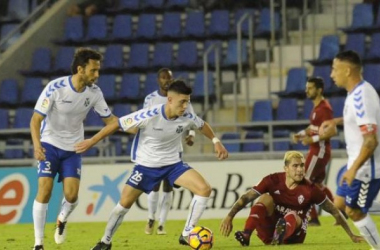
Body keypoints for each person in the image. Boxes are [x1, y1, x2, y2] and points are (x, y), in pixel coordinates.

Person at [74, 80, 229, 249]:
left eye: (188, 101)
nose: (185, 106)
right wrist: (91, 141)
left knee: (204, 189)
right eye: (182, 102)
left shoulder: (187, 116)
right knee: (122, 206)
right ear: (169, 100)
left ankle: (187, 233)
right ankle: (105, 241)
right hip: (146, 167)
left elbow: (202, 125)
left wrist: (215, 141)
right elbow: (116, 125)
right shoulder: (148, 115)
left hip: (173, 165)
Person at [30, 48, 118, 250]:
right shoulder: (55, 87)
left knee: (71, 196)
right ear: (80, 69)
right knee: (44, 189)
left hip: (73, 149)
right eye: (93, 71)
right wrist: (37, 145)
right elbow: (35, 119)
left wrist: (93, 140)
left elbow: (112, 121)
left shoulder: (94, 93)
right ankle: (38, 244)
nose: (97, 75)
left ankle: (62, 218)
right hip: (50, 144)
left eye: (98, 71)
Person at [220, 151, 363, 246]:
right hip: (269, 230)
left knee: (292, 215)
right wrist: (229, 216)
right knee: (264, 198)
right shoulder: (271, 180)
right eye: (295, 166)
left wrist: (352, 235)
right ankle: (246, 234)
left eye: (302, 165)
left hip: (295, 235)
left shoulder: (311, 189)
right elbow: (246, 198)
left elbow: (334, 210)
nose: (300, 169)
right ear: (286, 168)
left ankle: (279, 237)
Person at [320, 50, 380, 249]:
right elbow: (359, 121)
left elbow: (371, 141)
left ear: (347, 70)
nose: (331, 74)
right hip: (357, 164)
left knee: (354, 211)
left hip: (366, 170)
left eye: (335, 69)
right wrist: (336, 121)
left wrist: (353, 169)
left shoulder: (361, 96)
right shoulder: (355, 93)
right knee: (338, 204)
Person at [143, 68, 195, 235]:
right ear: (158, 80)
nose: (167, 80)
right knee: (154, 186)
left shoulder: (182, 99)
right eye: (164, 77)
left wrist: (191, 134)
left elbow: (192, 120)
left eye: (169, 78)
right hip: (154, 150)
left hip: (174, 149)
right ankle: (151, 217)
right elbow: (143, 121)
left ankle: (161, 224)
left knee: (168, 187)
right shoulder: (150, 99)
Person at [291, 77, 335, 226]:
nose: (306, 90)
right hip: (317, 150)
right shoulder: (317, 108)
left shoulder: (325, 109)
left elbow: (331, 131)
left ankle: (313, 218)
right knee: (317, 186)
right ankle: (339, 211)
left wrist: (313, 140)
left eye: (310, 88)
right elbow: (313, 128)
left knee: (303, 181)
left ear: (319, 90)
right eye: (307, 87)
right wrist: (302, 134)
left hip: (320, 151)